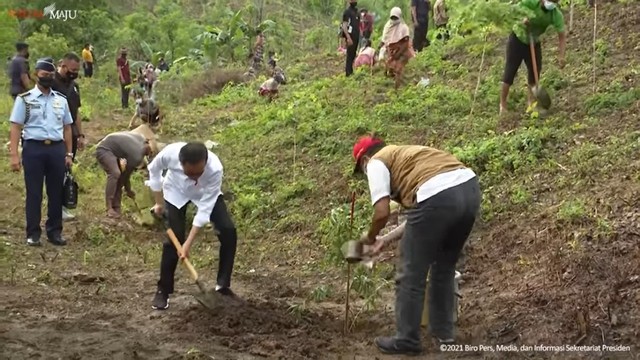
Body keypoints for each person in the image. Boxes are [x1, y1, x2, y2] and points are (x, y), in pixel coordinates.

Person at [351, 134, 481, 355]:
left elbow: (382, 212)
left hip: (438, 198)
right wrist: (385, 239)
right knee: (444, 266)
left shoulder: (375, 163)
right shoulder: (410, 156)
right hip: (469, 190)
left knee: (411, 272)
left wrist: (369, 239)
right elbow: (423, 215)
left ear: (364, 161)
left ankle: (407, 340)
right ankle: (444, 334)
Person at [146, 142, 238, 310]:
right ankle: (163, 290)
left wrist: (187, 245)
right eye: (190, 173)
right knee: (174, 238)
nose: (195, 178)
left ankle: (222, 286)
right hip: (175, 191)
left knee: (228, 230)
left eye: (199, 173)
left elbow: (204, 211)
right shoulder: (170, 154)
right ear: (181, 164)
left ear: (206, 161)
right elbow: (153, 170)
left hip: (205, 194)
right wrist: (159, 202)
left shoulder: (215, 168)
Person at [8, 58, 74, 247]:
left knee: (56, 193)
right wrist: (14, 155)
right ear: (36, 74)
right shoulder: (25, 99)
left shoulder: (60, 100)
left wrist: (68, 154)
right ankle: (33, 233)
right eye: (44, 75)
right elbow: (15, 127)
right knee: (34, 193)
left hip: (56, 149)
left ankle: (54, 232)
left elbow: (67, 128)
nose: (48, 78)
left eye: (51, 75)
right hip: (33, 149)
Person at [500, 0, 566, 114]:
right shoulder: (530, 2)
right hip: (518, 38)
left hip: (534, 41)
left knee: (534, 76)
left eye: (554, 2)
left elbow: (562, 35)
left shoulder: (555, 14)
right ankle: (503, 104)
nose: (551, 4)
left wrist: (561, 55)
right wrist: (522, 19)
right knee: (509, 73)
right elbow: (516, 11)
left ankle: (531, 103)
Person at [95, 125, 159, 218]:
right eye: (151, 153)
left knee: (119, 177)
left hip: (114, 149)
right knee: (115, 173)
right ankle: (109, 208)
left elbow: (124, 176)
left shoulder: (141, 137)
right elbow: (126, 176)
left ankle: (116, 207)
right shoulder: (137, 155)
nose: (149, 155)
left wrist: (128, 188)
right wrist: (128, 190)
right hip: (104, 149)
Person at [52, 52, 85, 220]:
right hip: (54, 132)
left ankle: (63, 206)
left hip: (70, 133)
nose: (75, 72)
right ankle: (55, 206)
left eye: (77, 70)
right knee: (55, 171)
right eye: (72, 69)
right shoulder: (51, 83)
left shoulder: (75, 86)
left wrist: (80, 135)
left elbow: (76, 112)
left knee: (67, 169)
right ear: (63, 66)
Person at [380, 7, 415, 89]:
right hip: (392, 52)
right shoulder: (388, 26)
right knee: (388, 70)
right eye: (392, 17)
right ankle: (391, 86)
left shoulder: (403, 27)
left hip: (402, 52)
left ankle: (398, 88)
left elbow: (405, 43)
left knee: (399, 70)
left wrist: (398, 54)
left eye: (395, 17)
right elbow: (385, 40)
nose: (394, 19)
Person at [341, 0, 360, 77]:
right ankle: (348, 73)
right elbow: (344, 26)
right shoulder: (347, 12)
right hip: (350, 36)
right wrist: (348, 37)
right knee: (349, 54)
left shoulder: (357, 12)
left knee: (353, 54)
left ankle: (351, 71)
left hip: (356, 36)